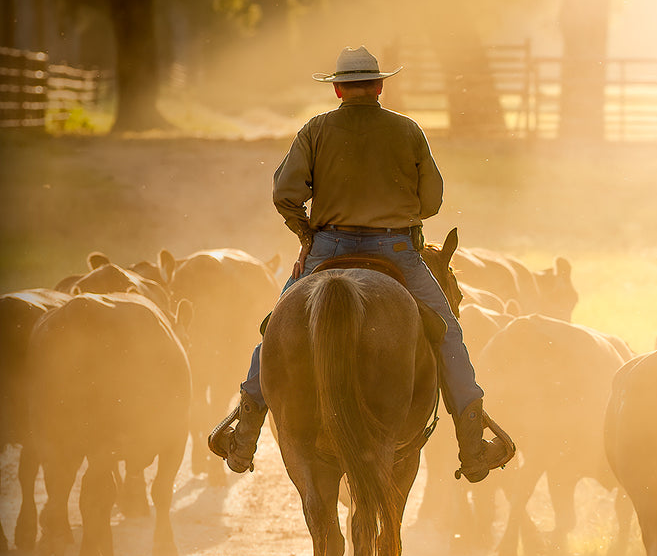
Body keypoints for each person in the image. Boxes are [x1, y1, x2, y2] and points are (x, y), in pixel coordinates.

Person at [208, 45, 509, 483]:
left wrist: (307, 233)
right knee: (447, 331)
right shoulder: (408, 131)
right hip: (397, 252)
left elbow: (284, 194)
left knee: (275, 328)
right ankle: (472, 443)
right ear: (380, 86)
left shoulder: (316, 130)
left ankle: (246, 430)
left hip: (328, 248)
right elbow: (433, 201)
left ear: (338, 91)